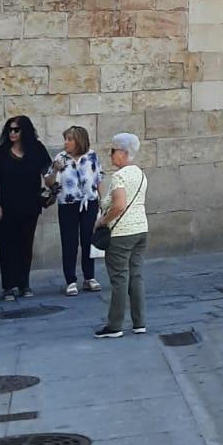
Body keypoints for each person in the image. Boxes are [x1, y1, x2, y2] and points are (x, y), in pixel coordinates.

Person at [0, 115, 51, 302]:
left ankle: (24, 284)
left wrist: (53, 182)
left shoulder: (36, 150)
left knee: (25, 245)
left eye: (16, 130)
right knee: (7, 246)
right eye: (10, 130)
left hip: (30, 206)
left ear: (25, 131)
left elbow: (47, 172)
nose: (12, 133)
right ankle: (9, 286)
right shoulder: (0, 154)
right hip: (6, 207)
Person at [93, 133, 149, 338]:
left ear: (124, 153)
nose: (111, 155)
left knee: (119, 278)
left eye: (113, 151)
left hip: (121, 233)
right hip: (141, 229)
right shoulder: (141, 174)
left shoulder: (120, 176)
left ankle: (115, 325)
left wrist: (101, 221)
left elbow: (119, 205)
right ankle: (139, 322)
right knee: (136, 276)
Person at [45, 124, 103, 297]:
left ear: (79, 141)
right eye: (66, 139)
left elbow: (99, 178)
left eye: (70, 139)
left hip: (89, 203)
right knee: (69, 242)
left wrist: (104, 201)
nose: (66, 142)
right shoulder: (60, 158)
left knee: (88, 240)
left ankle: (89, 277)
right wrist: (55, 169)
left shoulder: (91, 156)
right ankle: (70, 280)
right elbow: (49, 181)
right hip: (68, 204)